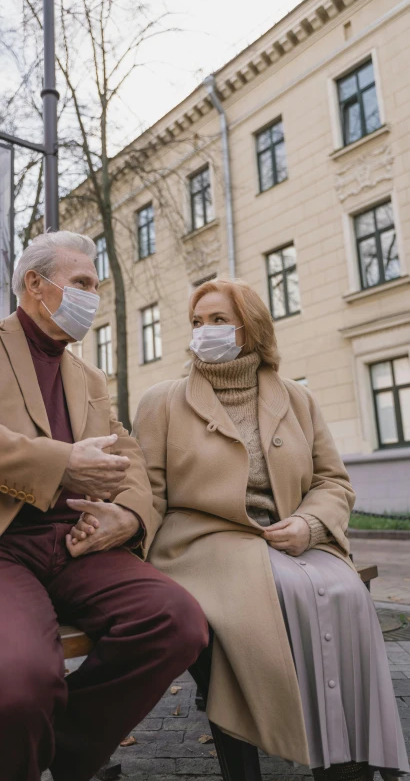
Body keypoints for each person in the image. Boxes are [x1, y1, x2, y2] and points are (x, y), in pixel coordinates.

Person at [0, 231, 208, 781]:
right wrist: (59, 463)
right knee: (20, 683)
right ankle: (14, 743)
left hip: (75, 545)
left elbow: (125, 455)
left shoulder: (86, 375)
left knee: (176, 622)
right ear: (36, 284)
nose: (93, 295)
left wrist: (127, 516)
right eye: (82, 282)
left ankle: (33, 752)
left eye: (96, 285)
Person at [71, 278, 409, 781]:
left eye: (219, 320)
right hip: (202, 545)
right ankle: (304, 737)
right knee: (289, 588)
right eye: (197, 322)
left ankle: (349, 754)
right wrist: (128, 526)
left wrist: (310, 524)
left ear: (249, 330)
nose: (204, 331)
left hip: (286, 538)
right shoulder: (163, 401)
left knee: (345, 591)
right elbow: (151, 493)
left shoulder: (296, 398)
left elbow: (332, 480)